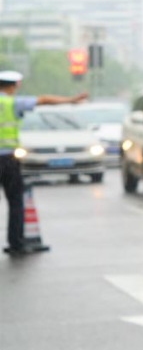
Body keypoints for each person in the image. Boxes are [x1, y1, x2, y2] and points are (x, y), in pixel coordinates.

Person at [0, 71, 87, 256]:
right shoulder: (11, 102)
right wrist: (71, 100)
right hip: (7, 160)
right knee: (15, 201)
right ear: (14, 85)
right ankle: (16, 243)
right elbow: (44, 99)